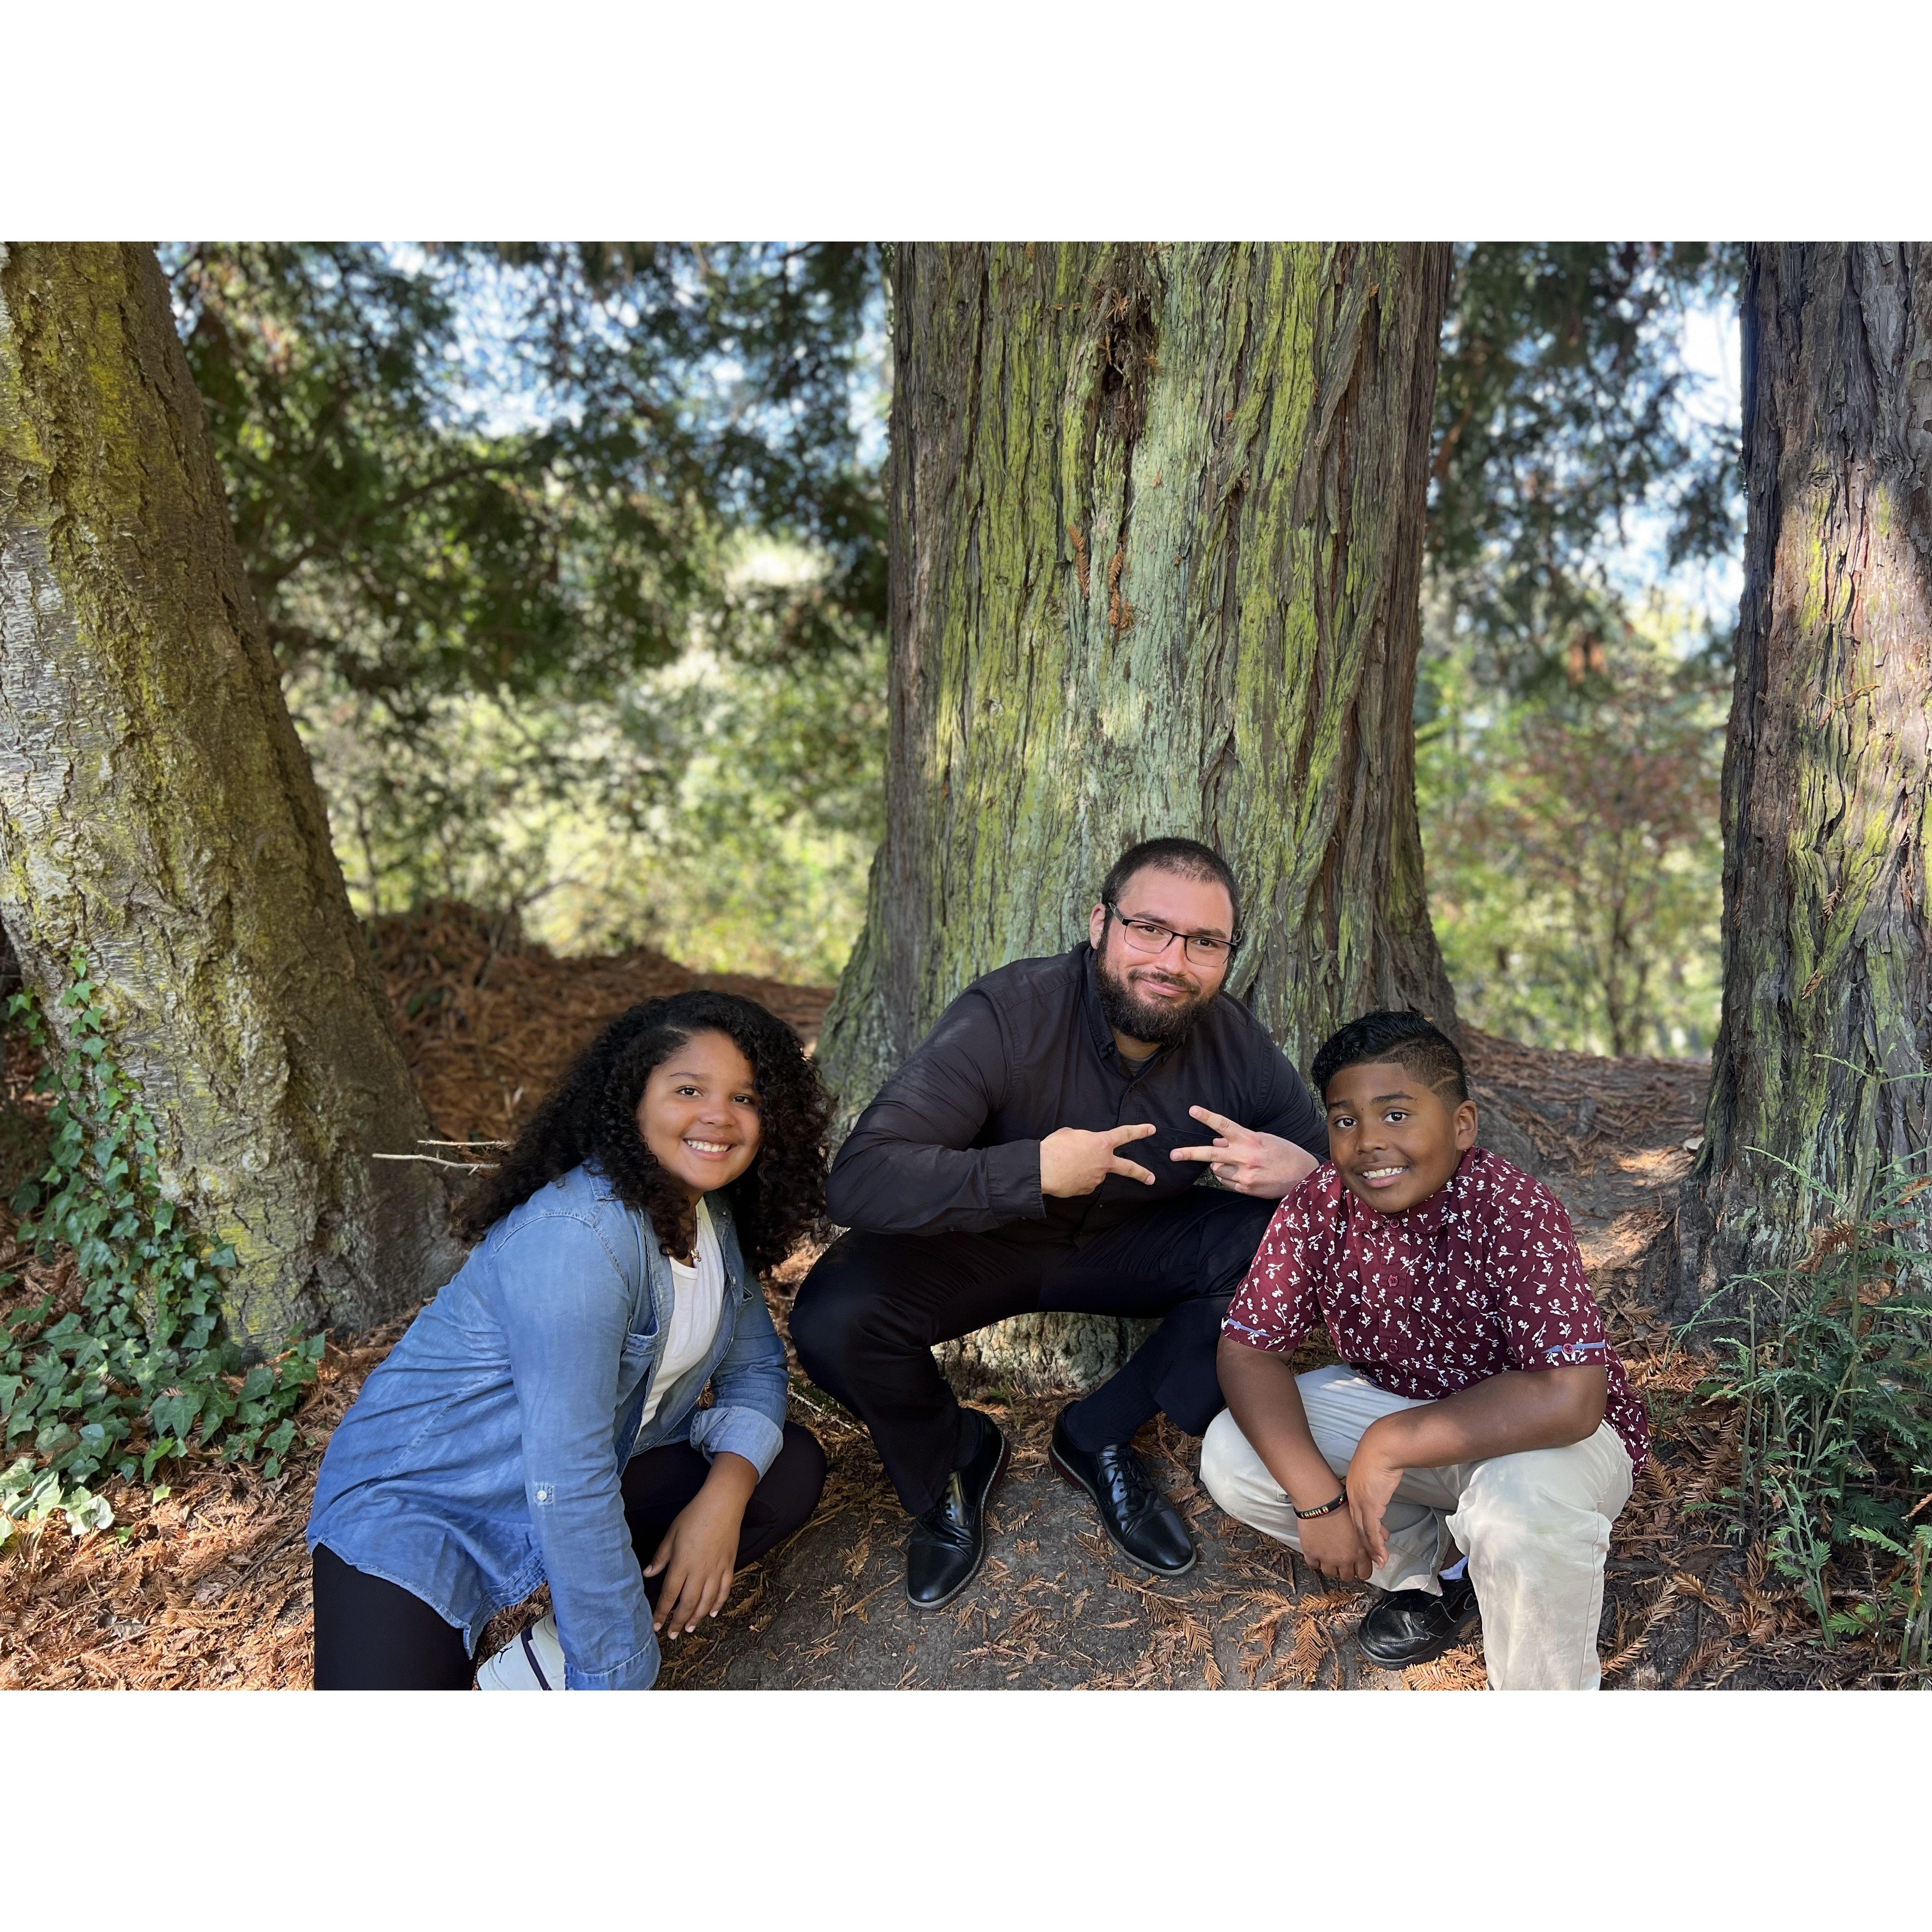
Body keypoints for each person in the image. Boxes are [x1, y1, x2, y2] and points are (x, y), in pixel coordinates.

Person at [790, 837, 1330, 1610]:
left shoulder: (1236, 1045)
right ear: (1099, 924)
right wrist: (1032, 1171)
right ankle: (955, 1457)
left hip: (1136, 1245)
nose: (1173, 961)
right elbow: (860, 1179)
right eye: (1149, 928)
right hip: (984, 1241)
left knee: (1283, 1249)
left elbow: (1360, 1193)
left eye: (1204, 942)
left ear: (1226, 955)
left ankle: (1098, 1433)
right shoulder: (1008, 1015)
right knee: (835, 1318)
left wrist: (1308, 1178)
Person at [306, 989, 830, 1690]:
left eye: (746, 1097)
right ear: (632, 1098)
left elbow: (757, 1367)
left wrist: (722, 1501)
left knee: (783, 1469)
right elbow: (569, 1477)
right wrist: (615, 1678)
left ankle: (538, 1664)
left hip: (587, 1476)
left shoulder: (713, 1216)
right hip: (429, 1505)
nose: (720, 1116)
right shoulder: (579, 1240)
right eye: (689, 1089)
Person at [1201, 1009, 1650, 1689]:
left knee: (1518, 1512)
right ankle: (1429, 1572)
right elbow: (1247, 1351)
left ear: (1461, 1125)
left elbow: (1571, 1398)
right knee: (1233, 1453)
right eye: (1345, 1120)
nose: (1369, 1142)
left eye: (1397, 1115)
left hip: (1542, 1443)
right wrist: (1318, 1504)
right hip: (1410, 1414)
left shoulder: (1513, 1208)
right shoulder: (1321, 1203)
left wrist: (1389, 1444)